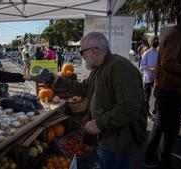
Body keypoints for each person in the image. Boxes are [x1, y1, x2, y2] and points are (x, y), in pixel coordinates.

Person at [35, 32, 147, 169]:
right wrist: (59, 80)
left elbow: (129, 108)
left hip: (118, 141)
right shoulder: (99, 68)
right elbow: (84, 88)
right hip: (106, 136)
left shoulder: (120, 68)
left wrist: (99, 124)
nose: (81, 57)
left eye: (82, 52)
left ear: (93, 51)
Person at [144, 6, 181, 169]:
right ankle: (161, 160)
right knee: (168, 129)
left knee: (162, 125)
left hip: (169, 89)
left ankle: (153, 158)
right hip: (171, 90)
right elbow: (167, 63)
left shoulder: (176, 35)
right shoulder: (178, 36)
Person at [139, 36, 159, 117]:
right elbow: (141, 67)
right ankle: (146, 111)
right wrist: (151, 69)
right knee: (147, 96)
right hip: (147, 78)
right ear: (151, 42)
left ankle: (155, 110)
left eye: (157, 40)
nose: (156, 42)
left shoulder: (158, 53)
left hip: (156, 78)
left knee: (157, 95)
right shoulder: (146, 53)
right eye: (154, 40)